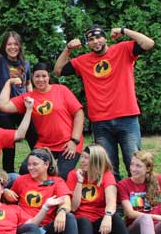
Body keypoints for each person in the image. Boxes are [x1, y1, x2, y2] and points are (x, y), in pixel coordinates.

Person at [54, 25, 155, 180]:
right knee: (108, 167)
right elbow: (58, 70)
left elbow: (148, 43)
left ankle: (139, 201)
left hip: (126, 117)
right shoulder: (82, 61)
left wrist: (123, 31)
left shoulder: (123, 49)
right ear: (87, 43)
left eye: (98, 37)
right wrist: (68, 49)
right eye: (91, 40)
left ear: (105, 38)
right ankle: (114, 202)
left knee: (135, 164)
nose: (95, 42)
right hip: (100, 122)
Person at [66, 144, 143, 234]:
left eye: (86, 158)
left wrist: (108, 216)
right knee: (83, 220)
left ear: (96, 161)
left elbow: (111, 201)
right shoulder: (74, 174)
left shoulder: (106, 175)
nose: (82, 161)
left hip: (101, 228)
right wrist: (79, 181)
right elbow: (73, 207)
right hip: (80, 230)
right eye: (82, 157)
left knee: (116, 219)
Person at [0, 62, 85, 179]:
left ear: (49, 76)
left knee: (61, 176)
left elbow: (79, 114)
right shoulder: (29, 98)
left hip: (67, 143)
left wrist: (74, 141)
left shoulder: (61, 90)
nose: (41, 79)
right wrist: (9, 83)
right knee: (25, 170)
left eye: (44, 76)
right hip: (45, 146)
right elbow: (2, 105)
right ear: (32, 77)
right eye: (37, 76)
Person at [12, 148, 90, 234]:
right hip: (26, 230)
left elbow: (66, 201)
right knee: (32, 227)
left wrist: (62, 212)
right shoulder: (21, 180)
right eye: (29, 164)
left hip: (46, 230)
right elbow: (5, 201)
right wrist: (6, 191)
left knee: (69, 217)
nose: (30, 167)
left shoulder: (56, 181)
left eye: (35, 164)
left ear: (46, 164)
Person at [0, 22, 37, 173]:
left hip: (21, 108)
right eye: (9, 44)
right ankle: (9, 177)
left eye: (15, 44)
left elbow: (28, 84)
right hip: (4, 110)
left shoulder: (25, 64)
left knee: (34, 140)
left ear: (19, 46)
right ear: (4, 46)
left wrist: (32, 101)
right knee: (9, 147)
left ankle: (39, 169)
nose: (12, 47)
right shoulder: (0, 61)